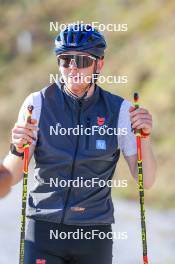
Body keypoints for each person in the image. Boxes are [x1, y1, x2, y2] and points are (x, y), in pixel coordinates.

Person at [3, 23, 157, 264]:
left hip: (94, 233)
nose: (72, 68)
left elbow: (146, 181)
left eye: (81, 60)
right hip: (44, 229)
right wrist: (16, 148)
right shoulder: (38, 103)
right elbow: (10, 176)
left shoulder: (120, 111)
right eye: (65, 60)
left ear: (99, 64)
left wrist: (144, 140)